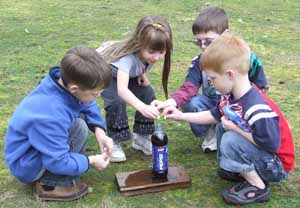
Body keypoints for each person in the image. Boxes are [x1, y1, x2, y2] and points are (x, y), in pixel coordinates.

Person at [162, 32, 295, 205]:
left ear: (230, 75)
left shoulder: (256, 107)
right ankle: (238, 170)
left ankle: (258, 186)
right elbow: (212, 114)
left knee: (231, 138)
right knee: (222, 126)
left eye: (213, 78)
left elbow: (271, 143)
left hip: (277, 165)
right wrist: (180, 115)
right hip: (265, 155)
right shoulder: (230, 96)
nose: (210, 83)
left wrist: (236, 128)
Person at [152, 6, 269, 153]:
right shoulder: (199, 61)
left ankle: (235, 135)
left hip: (238, 107)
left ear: (225, 34)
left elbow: (261, 88)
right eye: (198, 42)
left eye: (208, 41)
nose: (203, 47)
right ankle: (210, 132)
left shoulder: (246, 59)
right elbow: (189, 87)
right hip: (214, 104)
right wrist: (171, 102)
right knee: (191, 101)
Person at [5, 46, 114, 201]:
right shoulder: (51, 114)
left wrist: (100, 132)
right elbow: (58, 161)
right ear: (74, 89)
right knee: (79, 128)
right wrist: (90, 161)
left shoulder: (61, 84)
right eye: (95, 94)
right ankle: (51, 185)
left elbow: (87, 104)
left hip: (34, 148)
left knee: (79, 125)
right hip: (26, 165)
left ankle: (60, 172)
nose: (98, 97)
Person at [97, 16, 173, 162]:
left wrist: (141, 73)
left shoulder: (148, 53)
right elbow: (122, 90)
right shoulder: (127, 59)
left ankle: (141, 137)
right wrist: (141, 107)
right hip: (105, 73)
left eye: (161, 52)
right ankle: (114, 141)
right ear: (140, 44)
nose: (157, 57)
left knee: (147, 92)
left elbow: (142, 62)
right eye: (152, 52)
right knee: (117, 101)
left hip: (124, 73)